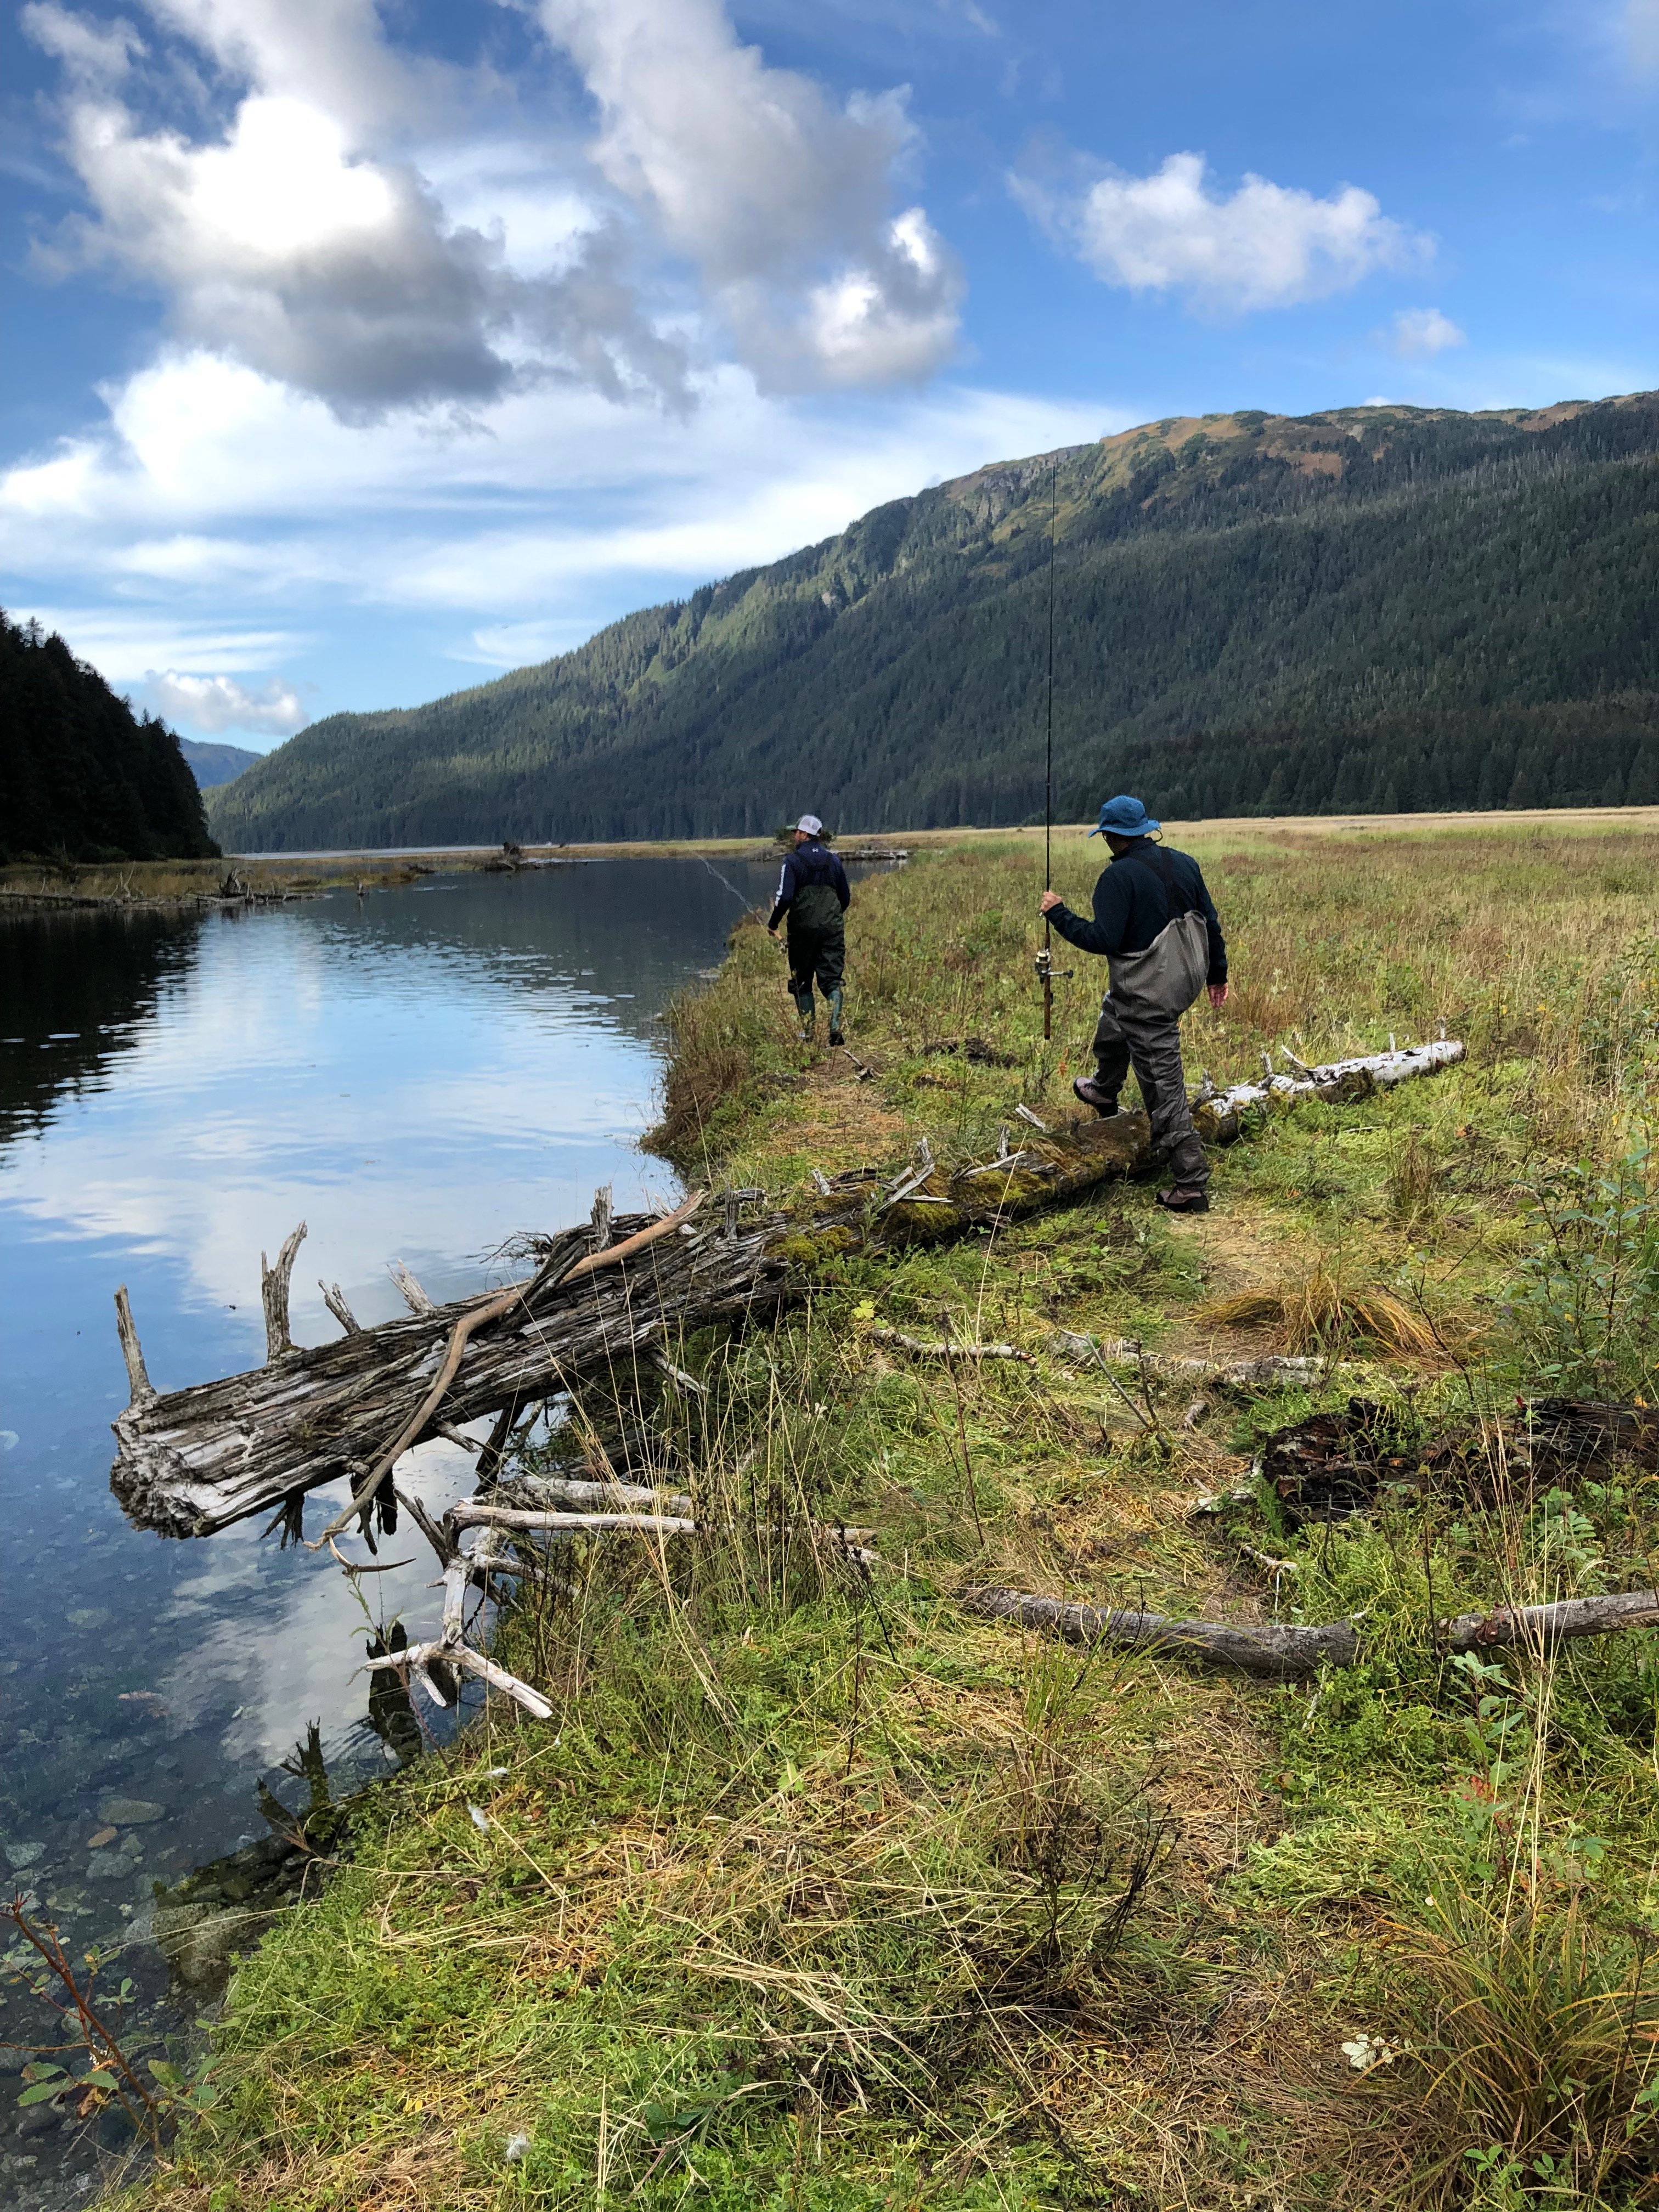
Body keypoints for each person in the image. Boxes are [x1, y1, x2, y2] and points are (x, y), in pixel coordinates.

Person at [1039, 793, 1228, 1214]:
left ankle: (1191, 1184)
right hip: (1183, 979)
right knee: (1114, 1013)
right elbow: (1210, 922)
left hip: (1150, 994)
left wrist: (1058, 913)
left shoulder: (1117, 879)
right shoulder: (1185, 863)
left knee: (1163, 1084)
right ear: (1144, 829)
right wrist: (1218, 975)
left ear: (1110, 835)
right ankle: (1104, 1091)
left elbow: (1102, 940)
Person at [768, 814, 851, 1044]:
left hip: (802, 932)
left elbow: (784, 898)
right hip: (832, 929)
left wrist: (773, 924)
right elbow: (845, 898)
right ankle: (835, 1027)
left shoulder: (792, 862)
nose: (795, 835)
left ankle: (809, 1033)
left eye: (797, 832)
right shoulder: (834, 861)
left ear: (805, 835)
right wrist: (830, 920)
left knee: (802, 982)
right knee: (832, 980)